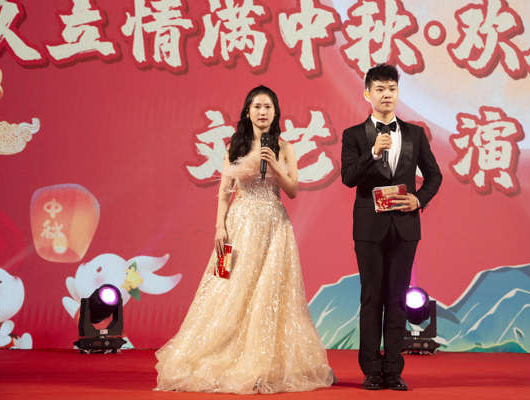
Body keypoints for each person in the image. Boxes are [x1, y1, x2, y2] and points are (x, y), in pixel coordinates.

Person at [155, 85, 335, 394]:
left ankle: (265, 362)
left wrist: (274, 164)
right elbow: (225, 189)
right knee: (226, 286)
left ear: (275, 113)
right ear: (247, 112)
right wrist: (219, 227)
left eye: (268, 107)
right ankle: (222, 354)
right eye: (257, 107)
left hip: (275, 227)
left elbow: (292, 190)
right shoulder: (234, 146)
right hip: (239, 225)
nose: (262, 112)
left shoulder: (284, 147)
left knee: (272, 291)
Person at [341, 64, 442, 391]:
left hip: (404, 228)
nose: (387, 95)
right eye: (380, 89)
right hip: (369, 229)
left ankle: (394, 369)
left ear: (398, 93)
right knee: (371, 297)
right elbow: (348, 177)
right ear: (367, 94)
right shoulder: (354, 135)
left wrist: (418, 199)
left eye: (392, 89)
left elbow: (434, 175)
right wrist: (373, 153)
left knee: (398, 298)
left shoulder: (415, 133)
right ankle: (371, 369)